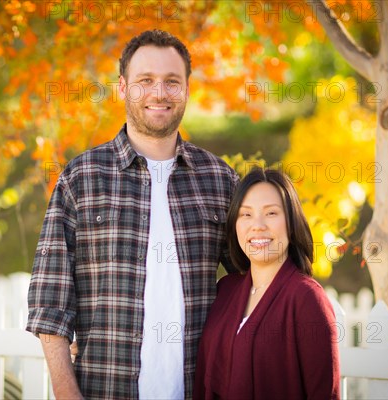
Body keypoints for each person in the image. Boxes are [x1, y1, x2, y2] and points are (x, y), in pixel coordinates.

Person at [26, 29, 239, 400]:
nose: (159, 93)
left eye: (172, 81)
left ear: (187, 88)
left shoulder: (219, 181)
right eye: (145, 81)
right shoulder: (80, 179)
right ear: (123, 88)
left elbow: (256, 284)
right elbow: (50, 304)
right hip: (104, 390)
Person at [193, 167, 340, 400]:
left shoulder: (306, 299)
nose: (258, 225)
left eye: (271, 213)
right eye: (246, 214)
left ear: (291, 222)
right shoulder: (225, 290)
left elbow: (324, 394)